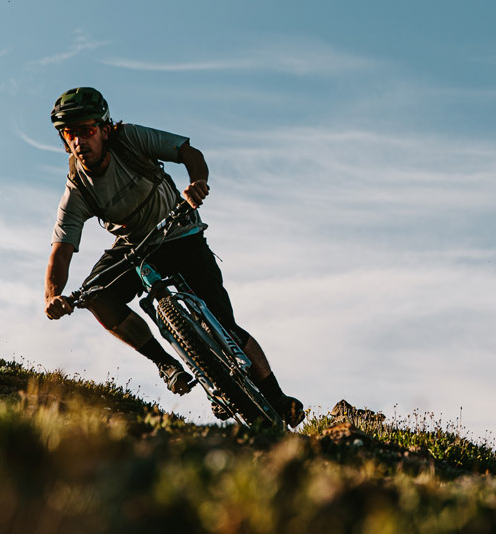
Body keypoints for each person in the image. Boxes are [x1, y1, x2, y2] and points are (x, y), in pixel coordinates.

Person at [42, 86, 304, 427]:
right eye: (69, 134)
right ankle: (166, 363)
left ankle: (276, 396)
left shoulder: (131, 140)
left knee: (224, 324)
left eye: (87, 130)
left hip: (180, 231)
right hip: (135, 247)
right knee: (96, 295)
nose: (79, 141)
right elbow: (60, 252)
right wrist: (52, 295)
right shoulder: (77, 188)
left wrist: (198, 182)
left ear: (105, 129)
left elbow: (187, 152)